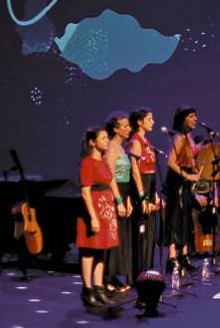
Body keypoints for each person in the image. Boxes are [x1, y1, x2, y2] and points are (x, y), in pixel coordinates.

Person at [77, 127, 126, 307]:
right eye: (103, 138)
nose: (107, 141)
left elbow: (111, 181)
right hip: (94, 212)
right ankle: (87, 290)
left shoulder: (103, 162)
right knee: (89, 250)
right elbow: (85, 192)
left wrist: (119, 202)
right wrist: (93, 217)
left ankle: (99, 288)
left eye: (107, 138)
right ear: (92, 142)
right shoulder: (87, 163)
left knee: (101, 250)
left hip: (106, 211)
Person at [164, 106, 201, 274]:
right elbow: (170, 162)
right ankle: (172, 258)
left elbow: (189, 157)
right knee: (175, 218)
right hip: (176, 182)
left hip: (185, 182)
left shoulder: (188, 137)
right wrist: (187, 175)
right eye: (191, 116)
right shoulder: (179, 137)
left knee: (185, 217)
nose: (195, 119)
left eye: (195, 116)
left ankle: (184, 256)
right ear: (182, 119)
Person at [128, 108, 161, 280]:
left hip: (149, 187)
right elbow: (135, 172)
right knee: (141, 235)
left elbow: (152, 171)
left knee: (149, 235)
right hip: (140, 190)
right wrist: (142, 197)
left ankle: (147, 272)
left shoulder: (146, 142)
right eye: (149, 119)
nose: (153, 122)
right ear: (139, 122)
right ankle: (137, 276)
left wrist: (155, 195)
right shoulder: (135, 141)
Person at [103, 111, 134, 293]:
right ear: (115, 129)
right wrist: (119, 200)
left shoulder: (122, 148)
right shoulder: (111, 148)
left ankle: (114, 275)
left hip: (123, 193)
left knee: (120, 237)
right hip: (113, 195)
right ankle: (107, 277)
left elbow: (125, 177)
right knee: (112, 236)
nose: (129, 129)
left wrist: (127, 199)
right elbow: (110, 177)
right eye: (125, 126)